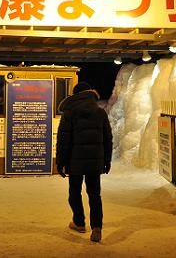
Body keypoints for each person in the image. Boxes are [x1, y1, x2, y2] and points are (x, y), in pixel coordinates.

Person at [55, 81, 113, 243]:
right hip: (95, 162)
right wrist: (107, 161)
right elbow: (108, 139)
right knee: (95, 194)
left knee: (74, 193)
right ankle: (96, 227)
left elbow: (63, 140)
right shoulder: (100, 112)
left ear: (75, 95)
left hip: (75, 162)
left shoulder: (70, 113)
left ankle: (79, 222)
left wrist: (60, 162)